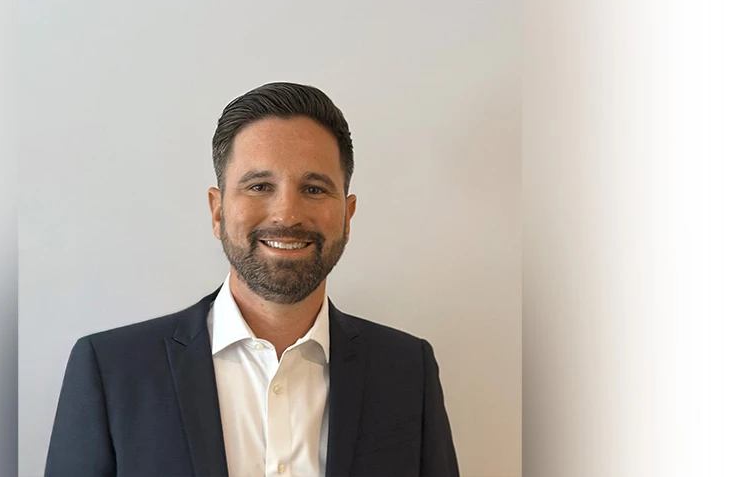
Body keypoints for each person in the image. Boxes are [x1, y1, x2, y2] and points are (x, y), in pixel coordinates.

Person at [44, 82, 459, 476]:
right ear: (218, 210)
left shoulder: (407, 370)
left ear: (347, 216)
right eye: (260, 185)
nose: (286, 214)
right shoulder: (111, 371)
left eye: (314, 189)